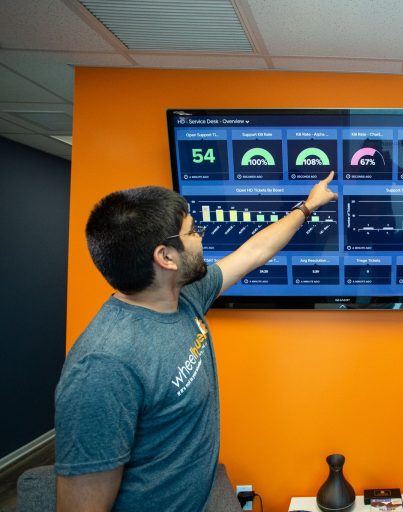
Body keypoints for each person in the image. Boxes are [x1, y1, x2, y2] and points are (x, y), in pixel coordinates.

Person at [55, 173, 337, 511]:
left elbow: (255, 252)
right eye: (191, 231)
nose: (199, 237)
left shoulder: (183, 296)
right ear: (166, 257)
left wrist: (308, 207)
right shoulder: (103, 366)